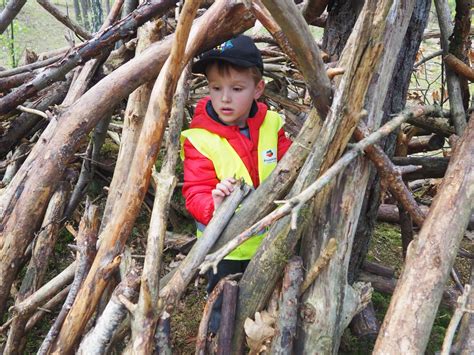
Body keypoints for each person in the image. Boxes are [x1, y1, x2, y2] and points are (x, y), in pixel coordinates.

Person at [181, 35, 292, 333]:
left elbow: (292, 167)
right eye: (216, 88)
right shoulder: (200, 139)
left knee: (268, 302)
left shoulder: (272, 125)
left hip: (271, 241)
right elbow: (194, 192)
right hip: (226, 248)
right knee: (223, 310)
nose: (225, 98)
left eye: (237, 88)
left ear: (258, 89)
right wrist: (213, 207)